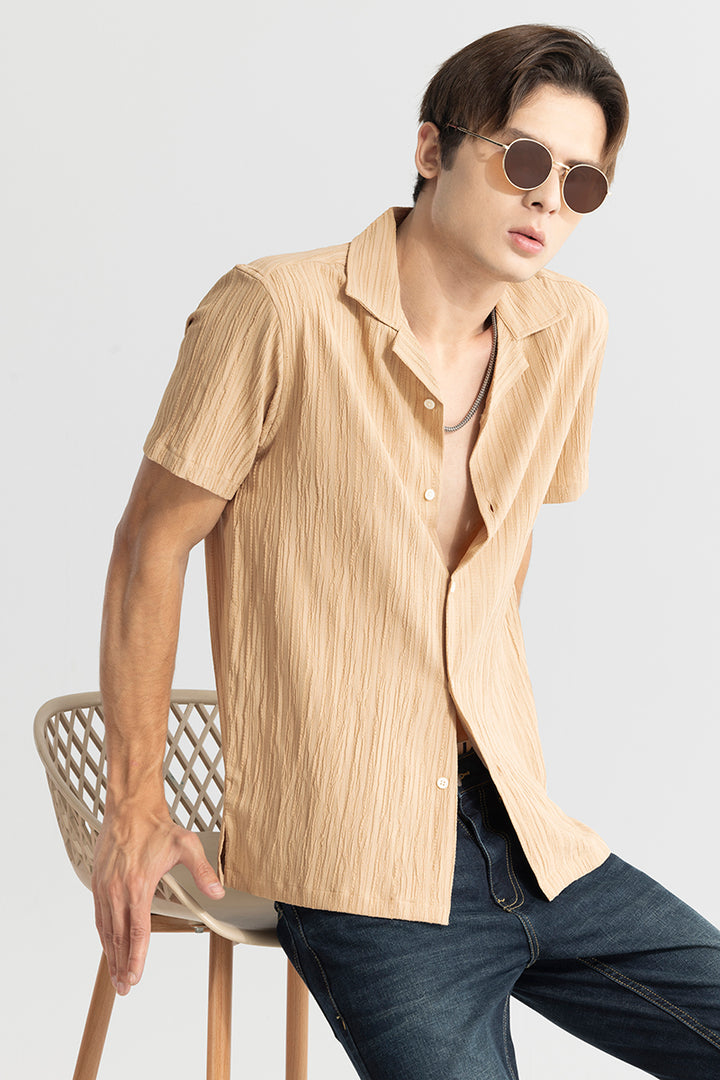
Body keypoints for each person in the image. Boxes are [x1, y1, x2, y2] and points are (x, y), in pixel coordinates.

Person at [92, 23, 720, 1079]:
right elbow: (148, 545)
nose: (549, 202)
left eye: (581, 183)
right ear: (432, 149)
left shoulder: (569, 331)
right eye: (525, 160)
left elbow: (501, 560)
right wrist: (134, 803)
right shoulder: (276, 310)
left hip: (528, 835)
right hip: (361, 867)